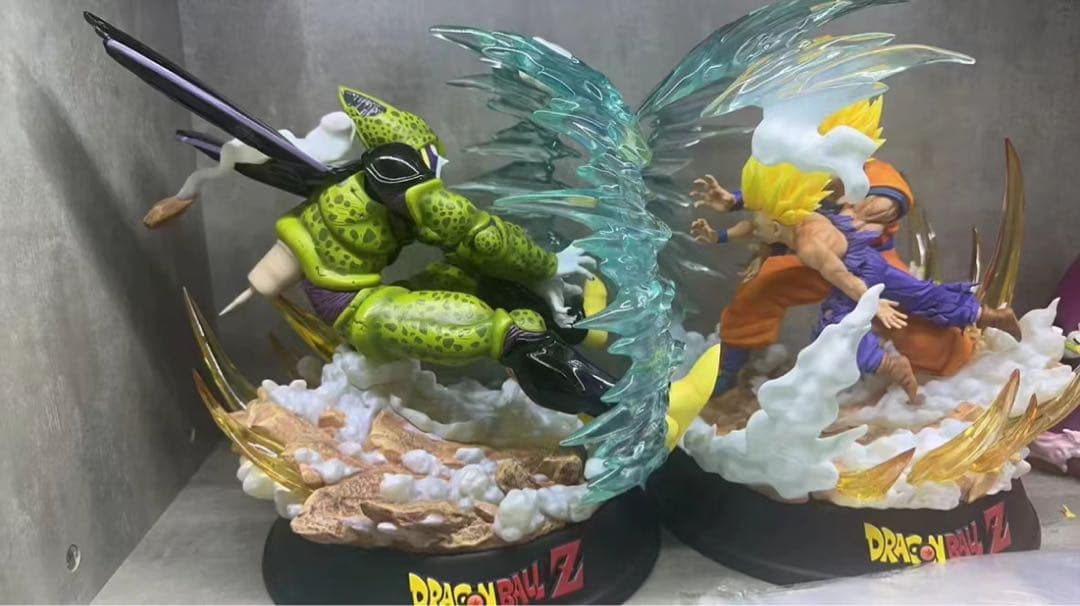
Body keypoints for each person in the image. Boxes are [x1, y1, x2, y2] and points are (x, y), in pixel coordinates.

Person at [715, 157, 1020, 400]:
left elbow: (842, 270)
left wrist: (870, 300)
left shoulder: (870, 177)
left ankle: (929, 362)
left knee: (869, 325)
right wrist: (735, 202)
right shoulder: (805, 179)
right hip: (827, 263)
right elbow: (775, 198)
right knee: (760, 291)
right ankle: (727, 371)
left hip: (864, 263)